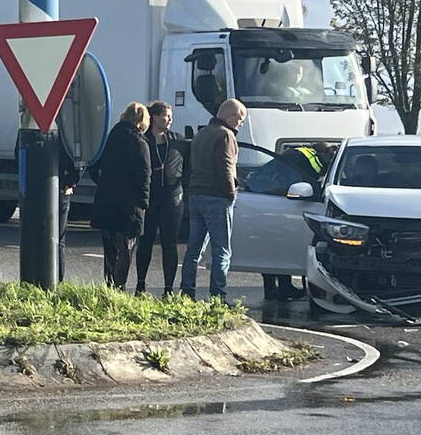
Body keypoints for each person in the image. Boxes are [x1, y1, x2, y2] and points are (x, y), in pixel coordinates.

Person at [179, 99, 247, 301]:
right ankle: (218, 296)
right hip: (217, 197)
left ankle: (187, 292)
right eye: (240, 119)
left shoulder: (201, 134)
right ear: (230, 116)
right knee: (222, 251)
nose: (240, 124)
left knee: (194, 250)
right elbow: (226, 168)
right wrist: (231, 194)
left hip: (196, 194)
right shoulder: (225, 136)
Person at [262, 141, 338, 300]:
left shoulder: (300, 154)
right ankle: (282, 289)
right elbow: (309, 183)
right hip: (283, 202)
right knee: (280, 248)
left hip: (273, 200)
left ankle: (275, 289)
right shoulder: (307, 160)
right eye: (330, 156)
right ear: (323, 153)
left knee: (275, 248)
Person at [89, 102, 151, 291]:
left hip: (107, 202)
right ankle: (119, 287)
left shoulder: (111, 138)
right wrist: (144, 201)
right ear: (142, 121)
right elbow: (144, 175)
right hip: (129, 206)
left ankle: (109, 286)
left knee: (110, 250)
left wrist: (104, 183)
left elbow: (93, 164)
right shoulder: (139, 143)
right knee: (126, 249)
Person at [135, 101, 190, 297]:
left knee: (169, 243)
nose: (170, 120)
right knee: (145, 241)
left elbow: (189, 167)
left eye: (170, 116)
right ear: (155, 117)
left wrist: (185, 188)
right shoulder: (143, 140)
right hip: (149, 198)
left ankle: (168, 288)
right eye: (166, 116)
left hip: (172, 200)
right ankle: (140, 284)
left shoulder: (178, 141)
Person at [14, 136, 83, 281]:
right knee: (58, 239)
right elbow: (78, 156)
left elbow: (19, 153)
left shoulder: (30, 125)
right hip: (61, 187)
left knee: (35, 235)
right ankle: (56, 281)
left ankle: (35, 279)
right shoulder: (64, 127)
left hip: (35, 187)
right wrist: (71, 181)